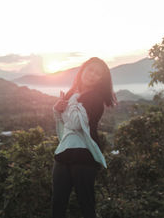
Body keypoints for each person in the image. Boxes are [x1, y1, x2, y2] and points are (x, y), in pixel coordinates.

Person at [51, 57, 116, 218]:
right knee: (57, 204)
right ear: (83, 70)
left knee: (86, 206)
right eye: (90, 70)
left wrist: (69, 102)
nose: (92, 75)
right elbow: (63, 124)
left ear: (101, 80)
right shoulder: (73, 93)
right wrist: (56, 108)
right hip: (64, 153)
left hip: (84, 156)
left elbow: (74, 123)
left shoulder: (94, 98)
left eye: (98, 74)